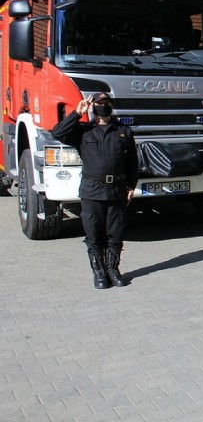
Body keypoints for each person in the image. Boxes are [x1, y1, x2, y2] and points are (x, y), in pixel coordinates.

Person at [51, 93, 138, 289]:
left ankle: (113, 270)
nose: (103, 106)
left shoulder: (123, 131)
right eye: (99, 103)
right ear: (92, 106)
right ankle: (99, 273)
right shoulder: (83, 131)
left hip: (116, 191)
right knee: (94, 234)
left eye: (106, 102)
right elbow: (57, 133)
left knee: (115, 234)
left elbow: (132, 161)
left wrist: (132, 185)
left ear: (112, 106)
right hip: (92, 190)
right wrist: (77, 113)